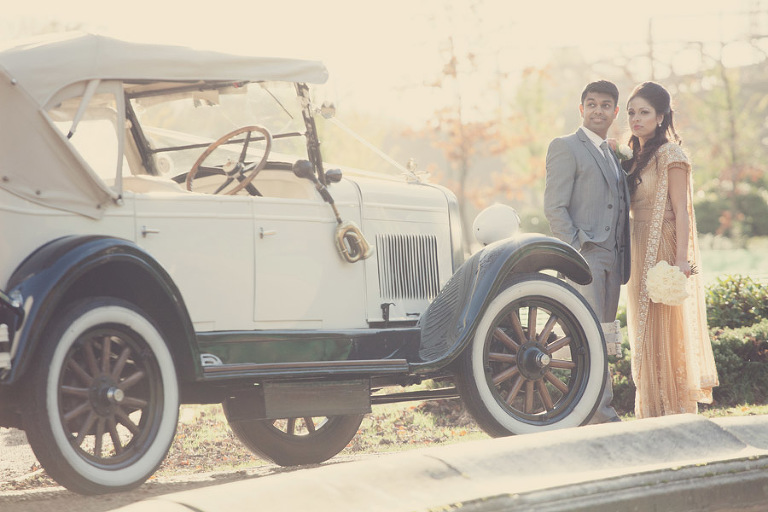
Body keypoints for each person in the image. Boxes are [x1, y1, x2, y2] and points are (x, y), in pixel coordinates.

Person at [622, 81, 718, 418]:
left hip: (662, 244)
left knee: (662, 328)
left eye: (644, 112)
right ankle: (649, 408)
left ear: (661, 116)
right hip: (636, 245)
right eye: (632, 112)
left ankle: (671, 408)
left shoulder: (671, 155)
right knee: (642, 331)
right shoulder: (632, 154)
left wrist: (681, 262)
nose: (636, 118)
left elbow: (682, 209)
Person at [544, 80, 631, 424]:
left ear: (615, 112)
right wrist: (576, 250)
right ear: (581, 110)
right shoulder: (565, 146)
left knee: (605, 334)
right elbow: (555, 207)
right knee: (589, 335)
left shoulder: (613, 152)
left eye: (605, 105)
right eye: (591, 104)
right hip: (586, 258)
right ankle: (600, 415)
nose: (598, 110)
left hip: (614, 258)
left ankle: (599, 409)